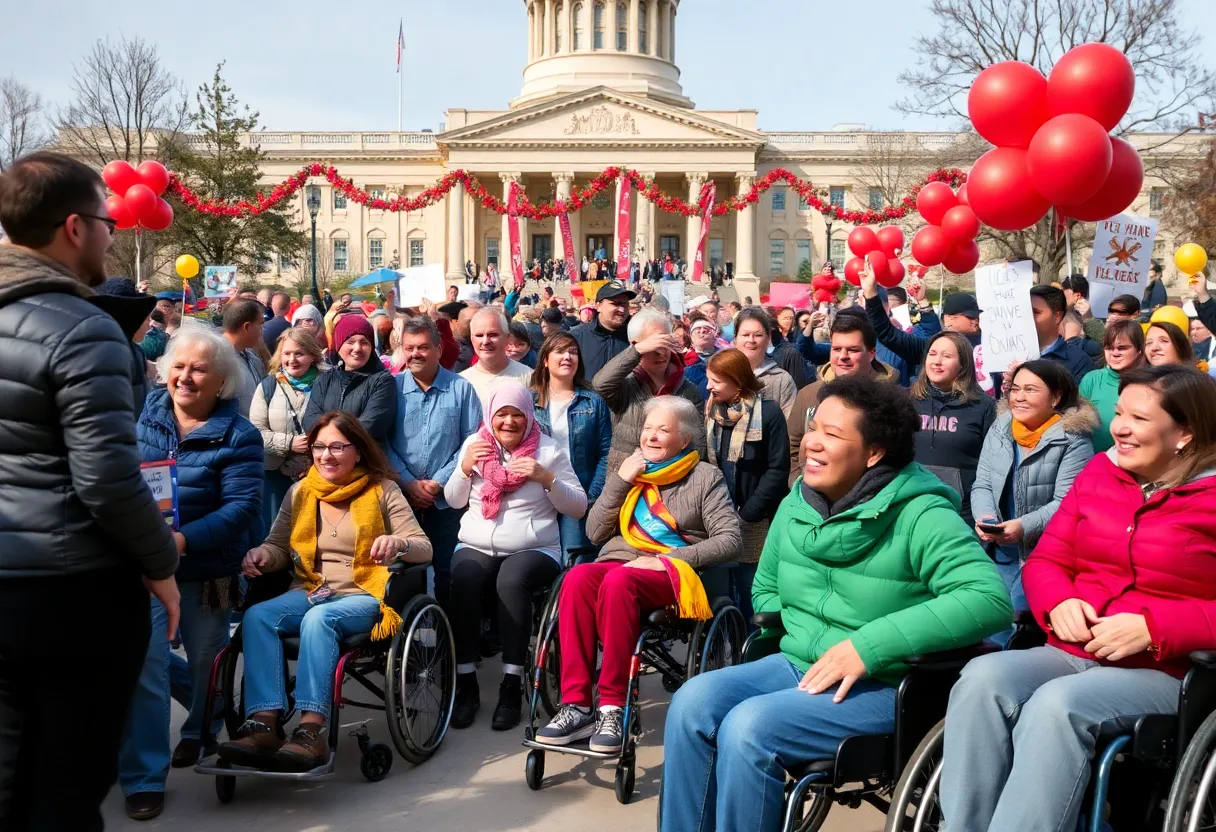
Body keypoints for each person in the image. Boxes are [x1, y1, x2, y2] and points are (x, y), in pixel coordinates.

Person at [659, 377, 1013, 831]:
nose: (813, 445)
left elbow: (987, 599)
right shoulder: (797, 503)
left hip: (887, 683)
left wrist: (867, 645)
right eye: (814, 429)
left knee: (750, 728)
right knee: (692, 702)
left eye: (833, 435)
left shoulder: (921, 513)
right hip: (800, 663)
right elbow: (766, 587)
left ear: (873, 453)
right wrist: (801, 631)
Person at [940, 365, 1216, 832]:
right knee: (982, 678)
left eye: (1139, 420)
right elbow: (1047, 559)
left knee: (1057, 706)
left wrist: (1157, 627)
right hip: (1073, 649)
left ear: (1185, 433)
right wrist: (1059, 601)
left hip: (1167, 668)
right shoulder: (1100, 472)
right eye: (1119, 413)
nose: (1119, 428)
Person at [0, 151, 180, 831]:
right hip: (69, 589)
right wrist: (159, 561)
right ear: (74, 228)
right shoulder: (85, 329)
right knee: (67, 790)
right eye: (106, 220)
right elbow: (106, 477)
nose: (114, 233)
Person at [219, 412, 432, 771]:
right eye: (319, 447)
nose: (326, 456)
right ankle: (264, 722)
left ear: (358, 452)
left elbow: (423, 547)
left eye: (337, 447)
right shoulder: (302, 491)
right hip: (311, 588)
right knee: (257, 616)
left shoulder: (383, 490)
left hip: (364, 594)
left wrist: (397, 542)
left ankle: (310, 730)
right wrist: (262, 556)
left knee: (319, 619)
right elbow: (277, 547)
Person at [536, 397, 743, 753]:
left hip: (673, 575)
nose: (652, 435)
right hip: (620, 561)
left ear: (685, 440)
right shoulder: (629, 470)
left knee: (619, 581)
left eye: (664, 430)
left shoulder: (705, 477)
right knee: (576, 578)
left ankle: (612, 707)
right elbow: (595, 532)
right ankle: (577, 705)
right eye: (648, 428)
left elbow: (731, 540)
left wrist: (669, 559)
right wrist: (620, 481)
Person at [121, 326, 263, 819]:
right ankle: (142, 775)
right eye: (179, 365)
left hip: (212, 570)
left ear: (221, 379)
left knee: (207, 659)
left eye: (199, 368)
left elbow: (243, 506)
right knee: (146, 665)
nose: (185, 376)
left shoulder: (240, 435)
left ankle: (200, 729)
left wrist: (182, 539)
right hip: (146, 569)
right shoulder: (143, 418)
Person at [445, 384, 586, 731]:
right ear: (490, 417)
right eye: (501, 415)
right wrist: (464, 469)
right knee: (464, 579)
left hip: (533, 546)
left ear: (528, 416)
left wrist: (547, 479)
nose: (509, 422)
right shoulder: (474, 446)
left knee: (511, 580)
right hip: (477, 541)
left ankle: (511, 683)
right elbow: (452, 501)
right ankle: (466, 683)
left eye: (517, 414)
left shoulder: (548, 451)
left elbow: (578, 506)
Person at [971, 359, 1096, 637]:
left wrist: (1023, 527)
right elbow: (982, 484)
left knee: (1010, 630)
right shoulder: (1000, 428)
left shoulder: (1074, 439)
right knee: (983, 625)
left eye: (1030, 390)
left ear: (1056, 397)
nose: (1019, 397)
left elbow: (1067, 503)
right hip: (998, 552)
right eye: (1015, 389)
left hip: (1041, 555)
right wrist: (985, 517)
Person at [386, 316, 482, 607]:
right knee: (402, 570)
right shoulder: (390, 388)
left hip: (446, 501)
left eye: (423, 347)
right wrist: (408, 482)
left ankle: (446, 636)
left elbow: (472, 441)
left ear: (439, 350)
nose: (415, 354)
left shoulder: (461, 389)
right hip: (401, 499)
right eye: (410, 347)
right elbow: (382, 443)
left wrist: (438, 482)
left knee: (446, 570)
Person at [703, 349, 789, 620]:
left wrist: (747, 512)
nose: (708, 387)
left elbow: (777, 469)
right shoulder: (711, 411)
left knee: (750, 586)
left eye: (715, 381)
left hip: (755, 517)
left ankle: (753, 645)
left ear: (737, 381)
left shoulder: (769, 412)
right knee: (721, 588)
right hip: (718, 516)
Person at [531, 332, 613, 562]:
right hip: (537, 495)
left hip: (577, 493)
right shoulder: (529, 401)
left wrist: (591, 495)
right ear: (545, 360)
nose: (567, 356)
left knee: (573, 559)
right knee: (538, 559)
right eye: (560, 351)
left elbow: (606, 452)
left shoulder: (592, 402)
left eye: (573, 352)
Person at [595, 307, 706, 474]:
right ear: (635, 345)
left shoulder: (687, 388)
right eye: (654, 345)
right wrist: (637, 351)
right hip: (628, 478)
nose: (661, 352)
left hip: (673, 478)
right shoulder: (626, 384)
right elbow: (600, 385)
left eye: (665, 343)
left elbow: (698, 442)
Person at [788, 311, 897, 476]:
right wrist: (800, 485)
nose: (843, 357)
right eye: (837, 349)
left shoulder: (894, 400)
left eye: (852, 350)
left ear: (871, 353)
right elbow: (793, 447)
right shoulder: (808, 395)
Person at [908, 331, 997, 528]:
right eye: (932, 354)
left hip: (962, 514)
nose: (937, 361)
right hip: (912, 507)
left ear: (963, 364)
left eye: (947, 356)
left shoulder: (983, 406)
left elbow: (993, 465)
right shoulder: (907, 400)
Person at [250, 328, 328, 536]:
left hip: (319, 472)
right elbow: (255, 432)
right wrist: (289, 443)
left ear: (313, 356)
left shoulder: (328, 383)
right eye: (286, 353)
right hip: (276, 475)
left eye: (299, 354)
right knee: (276, 534)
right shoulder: (268, 386)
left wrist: (315, 455)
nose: (292, 359)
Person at [303, 314, 397, 453]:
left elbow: (371, 426)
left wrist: (330, 440)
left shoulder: (382, 381)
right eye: (350, 342)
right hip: (326, 462)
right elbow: (310, 420)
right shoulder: (325, 379)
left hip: (365, 464)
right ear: (339, 346)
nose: (357, 348)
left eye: (364, 342)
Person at [1078, 319, 1146, 453]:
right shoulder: (1092, 379)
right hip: (1094, 463)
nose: (1114, 353)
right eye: (1109, 348)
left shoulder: (1152, 382)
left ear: (1139, 349)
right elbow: (1076, 424)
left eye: (1122, 348)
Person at [732, 307, 797, 418]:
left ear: (768, 339)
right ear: (735, 339)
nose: (751, 340)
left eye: (758, 335)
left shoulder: (782, 380)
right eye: (745, 335)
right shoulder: (724, 373)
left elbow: (789, 425)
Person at [459, 308, 533, 401]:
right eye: (479, 335)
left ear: (507, 338)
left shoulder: (529, 377)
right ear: (472, 339)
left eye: (493, 335)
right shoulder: (461, 382)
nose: (485, 341)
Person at [570, 280, 634, 382]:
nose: (621, 310)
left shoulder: (634, 338)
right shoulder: (576, 337)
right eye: (615, 304)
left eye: (625, 304)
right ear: (598, 306)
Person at [1030, 285, 1094, 382]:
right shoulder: (1009, 354)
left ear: (1057, 317)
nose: (1028, 317)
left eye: (1035, 312)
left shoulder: (1078, 361)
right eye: (1025, 312)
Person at [223, 299, 269, 418]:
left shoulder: (251, 356)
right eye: (261, 324)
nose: (262, 331)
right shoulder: (218, 360)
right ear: (247, 327)